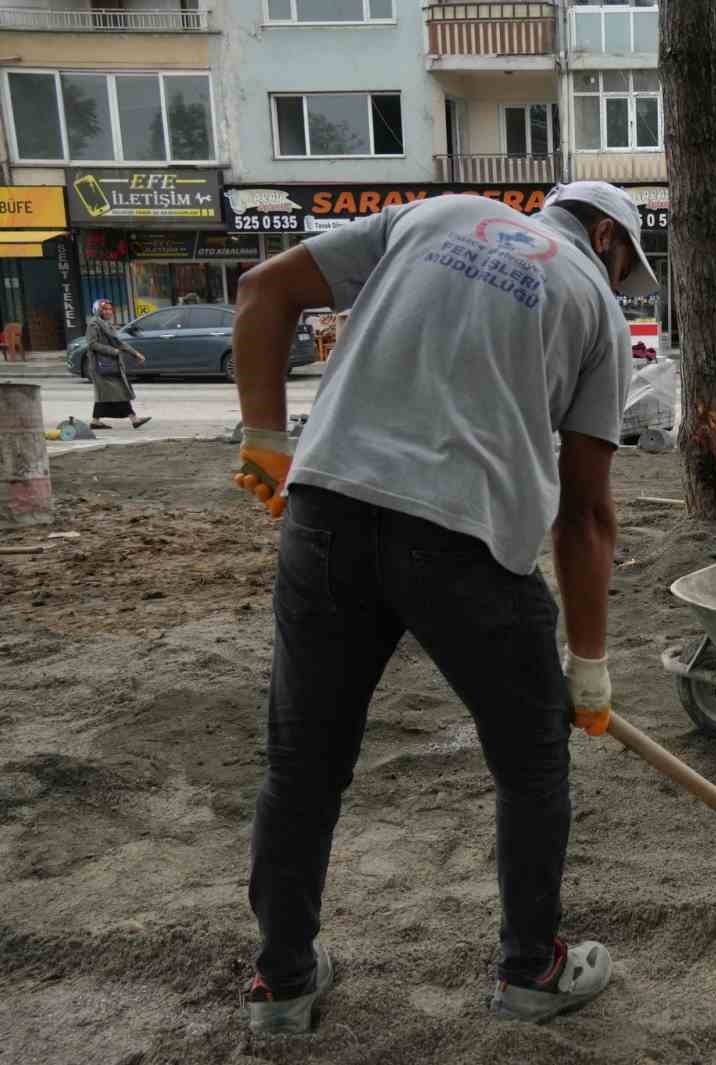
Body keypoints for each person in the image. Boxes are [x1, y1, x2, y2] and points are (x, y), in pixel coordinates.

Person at [229, 181, 655, 1035]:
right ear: (605, 236)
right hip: (466, 542)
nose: (620, 285)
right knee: (532, 764)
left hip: (328, 511)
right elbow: (585, 514)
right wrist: (590, 666)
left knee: (303, 767)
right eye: (625, 269)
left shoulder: (433, 214)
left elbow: (262, 291)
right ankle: (533, 968)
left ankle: (281, 983)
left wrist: (267, 441)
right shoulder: (593, 308)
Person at [85, 299, 151, 430]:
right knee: (118, 391)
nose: (109, 312)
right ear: (98, 310)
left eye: (110, 309)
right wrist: (112, 351)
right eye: (105, 309)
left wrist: (135, 353)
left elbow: (119, 342)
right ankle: (134, 419)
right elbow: (92, 344)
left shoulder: (106, 324)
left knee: (105, 394)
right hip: (100, 365)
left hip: (109, 364)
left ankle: (95, 421)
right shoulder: (94, 324)